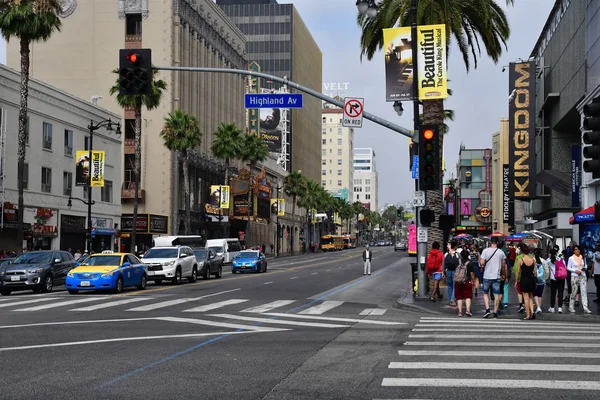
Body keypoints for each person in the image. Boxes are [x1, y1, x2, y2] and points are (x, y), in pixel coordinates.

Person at [479, 236, 507, 319]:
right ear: (497, 242)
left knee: (485, 293)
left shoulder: (485, 251)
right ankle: (495, 312)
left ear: (490, 242)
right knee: (497, 295)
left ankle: (487, 309)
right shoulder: (501, 252)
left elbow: (482, 263)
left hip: (487, 276)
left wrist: (482, 261)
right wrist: (503, 274)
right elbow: (503, 265)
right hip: (497, 276)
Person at [567, 245, 592, 314]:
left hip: (582, 276)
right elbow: (568, 267)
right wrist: (575, 270)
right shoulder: (571, 258)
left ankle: (585, 307)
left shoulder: (582, 257)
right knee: (574, 292)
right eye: (575, 249)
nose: (577, 250)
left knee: (584, 292)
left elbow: (585, 265)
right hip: (575, 276)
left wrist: (585, 268)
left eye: (578, 249)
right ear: (573, 251)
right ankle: (571, 307)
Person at [516, 243, 536, 320]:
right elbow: (535, 273)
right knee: (530, 297)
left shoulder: (520, 260)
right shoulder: (533, 260)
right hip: (531, 279)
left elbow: (518, 272)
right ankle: (533, 312)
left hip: (524, 279)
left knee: (526, 298)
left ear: (522, 251)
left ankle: (528, 315)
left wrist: (517, 281)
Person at [455, 249, 475, 317]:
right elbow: (472, 273)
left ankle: (460, 312)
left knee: (459, 297)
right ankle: (468, 310)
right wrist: (473, 281)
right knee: (468, 296)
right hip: (467, 281)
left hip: (458, 281)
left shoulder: (457, 262)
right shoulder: (470, 263)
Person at [547, 248, 566, 313]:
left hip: (553, 278)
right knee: (560, 293)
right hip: (561, 278)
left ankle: (552, 307)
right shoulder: (560, 259)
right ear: (556, 253)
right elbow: (564, 267)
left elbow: (546, 268)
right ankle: (560, 308)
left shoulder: (548, 260)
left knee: (553, 293)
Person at [533, 248, 550, 314]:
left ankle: (538, 307)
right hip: (542, 280)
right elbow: (547, 270)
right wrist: (545, 278)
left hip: (534, 280)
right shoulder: (543, 261)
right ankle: (539, 307)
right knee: (540, 294)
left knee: (535, 294)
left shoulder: (532, 260)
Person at [443, 240, 459, 306]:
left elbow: (443, 263)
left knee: (449, 286)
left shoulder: (446, 254)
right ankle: (453, 299)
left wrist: (443, 272)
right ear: (455, 246)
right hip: (455, 271)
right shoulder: (457, 254)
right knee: (455, 286)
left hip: (448, 271)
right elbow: (458, 263)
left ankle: (450, 299)